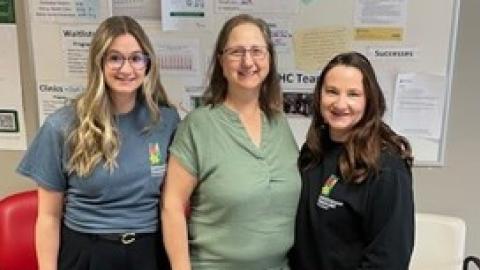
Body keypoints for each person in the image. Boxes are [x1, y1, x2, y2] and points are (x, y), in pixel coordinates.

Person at [17, 16, 179, 270]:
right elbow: (48, 217)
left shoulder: (166, 121)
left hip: (148, 251)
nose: (126, 69)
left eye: (136, 58)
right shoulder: (62, 126)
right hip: (87, 252)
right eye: (115, 58)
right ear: (99, 63)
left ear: (148, 64)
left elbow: (174, 202)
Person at [161, 14, 301, 270]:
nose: (248, 61)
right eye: (236, 52)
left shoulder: (278, 123)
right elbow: (172, 205)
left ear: (269, 59)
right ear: (221, 61)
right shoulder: (198, 125)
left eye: (257, 51)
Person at [289, 51, 414, 270]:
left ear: (369, 100)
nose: (340, 103)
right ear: (319, 96)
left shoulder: (387, 168)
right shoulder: (313, 152)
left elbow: (388, 261)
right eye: (332, 92)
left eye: (353, 94)